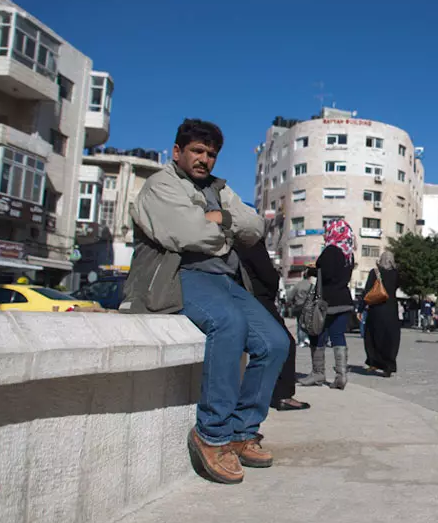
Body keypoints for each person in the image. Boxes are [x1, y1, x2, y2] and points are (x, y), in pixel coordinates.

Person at [121, 119, 288, 485]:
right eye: (197, 151)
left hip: (225, 279)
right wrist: (219, 228)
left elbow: (255, 227)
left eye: (211, 154)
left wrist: (219, 219)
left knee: (275, 342)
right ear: (178, 152)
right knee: (228, 324)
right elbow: (188, 235)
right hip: (179, 276)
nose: (204, 159)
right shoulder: (160, 185)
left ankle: (244, 431)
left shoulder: (218, 189)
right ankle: (212, 434)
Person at [237, 238, 309, 411]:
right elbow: (268, 275)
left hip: (239, 298)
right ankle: (282, 395)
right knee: (284, 342)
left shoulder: (232, 241)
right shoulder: (250, 242)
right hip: (258, 299)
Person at [299, 220, 356, 388]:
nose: (325, 234)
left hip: (326, 301)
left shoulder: (331, 250)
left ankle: (318, 373)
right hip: (344, 300)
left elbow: (327, 273)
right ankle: (341, 375)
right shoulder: (348, 253)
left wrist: (312, 270)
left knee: (316, 333)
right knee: (338, 336)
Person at [363, 251, 401, 376]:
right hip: (391, 310)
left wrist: (361, 308)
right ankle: (388, 366)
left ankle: (374, 362)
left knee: (373, 336)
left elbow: (367, 290)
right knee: (390, 338)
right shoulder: (396, 274)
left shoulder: (375, 272)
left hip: (376, 309)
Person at [287, 266, 315, 347]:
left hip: (299, 306)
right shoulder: (311, 285)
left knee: (300, 324)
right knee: (308, 323)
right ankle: (307, 338)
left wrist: (291, 303)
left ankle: (301, 340)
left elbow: (290, 296)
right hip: (309, 307)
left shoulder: (298, 285)